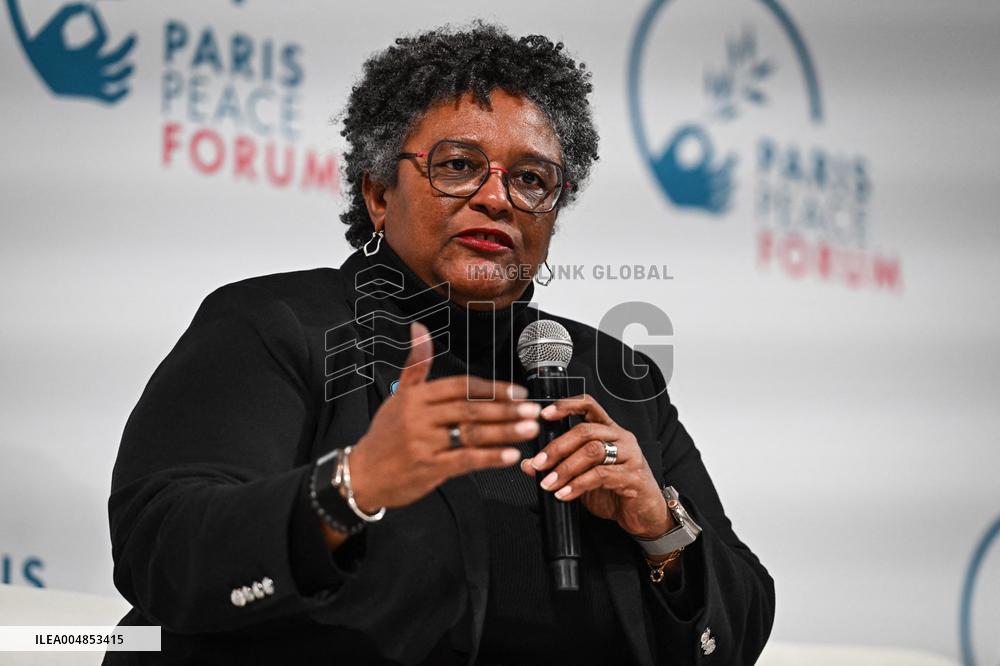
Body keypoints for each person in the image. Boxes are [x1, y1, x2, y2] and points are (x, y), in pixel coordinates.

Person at [105, 22, 774, 666]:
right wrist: (351, 486)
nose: (497, 199)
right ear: (378, 193)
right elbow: (160, 548)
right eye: (458, 165)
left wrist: (660, 529)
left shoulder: (615, 377)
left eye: (531, 179)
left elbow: (741, 626)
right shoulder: (280, 324)